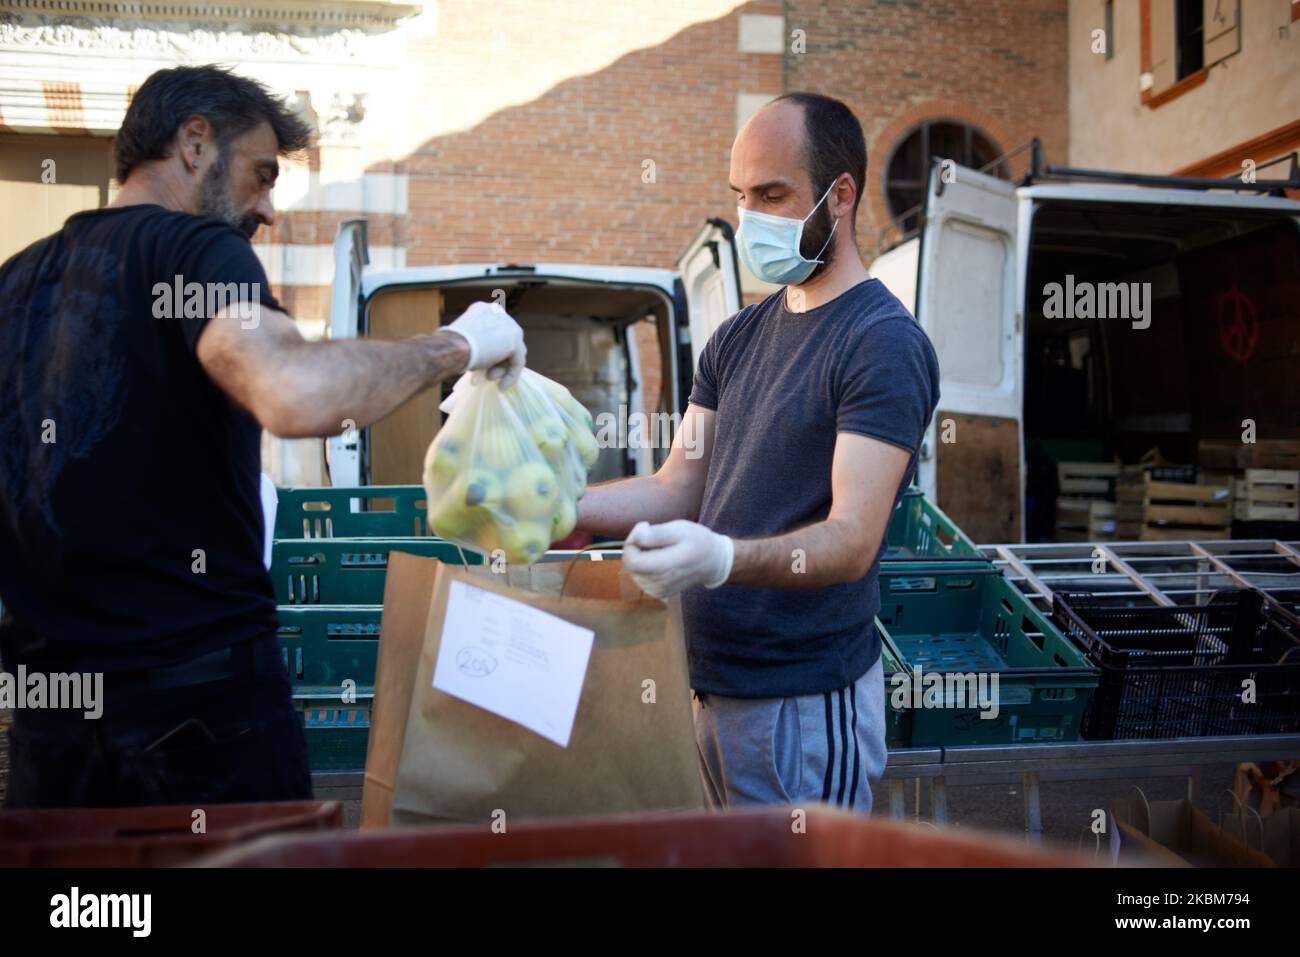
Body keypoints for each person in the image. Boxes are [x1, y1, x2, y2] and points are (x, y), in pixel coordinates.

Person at [0, 64, 524, 809]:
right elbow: (295, 391)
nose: (269, 208)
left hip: (49, 742)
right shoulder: (192, 250)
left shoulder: (13, 285)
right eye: (261, 174)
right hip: (198, 725)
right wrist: (457, 345)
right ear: (194, 143)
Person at [575, 93, 940, 813]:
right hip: (708, 687)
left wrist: (720, 559)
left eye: (773, 194)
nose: (752, 219)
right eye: (742, 197)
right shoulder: (737, 338)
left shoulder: (881, 343)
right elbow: (678, 486)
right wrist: (564, 503)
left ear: (840, 196)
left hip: (801, 704)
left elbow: (852, 538)